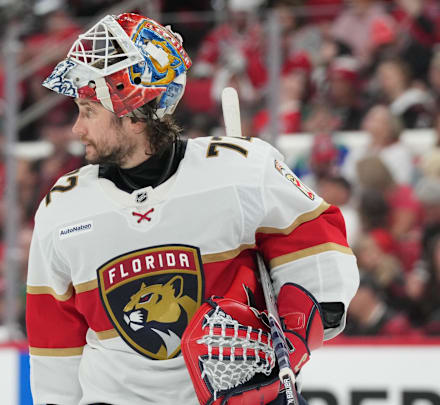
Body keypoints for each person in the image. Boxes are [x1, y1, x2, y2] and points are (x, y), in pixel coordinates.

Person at [26, 13, 359, 405]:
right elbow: (54, 349)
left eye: (89, 111)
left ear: (134, 114)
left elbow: (322, 265)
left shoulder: (241, 170)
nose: (77, 129)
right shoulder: (62, 209)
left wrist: (291, 341)